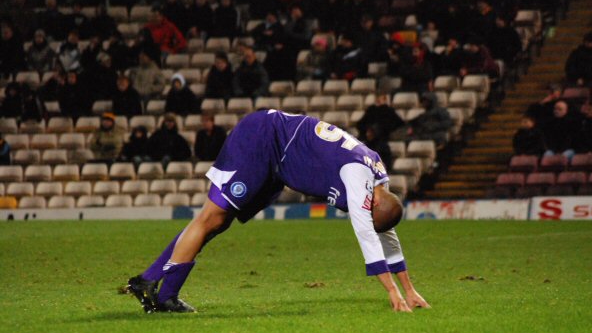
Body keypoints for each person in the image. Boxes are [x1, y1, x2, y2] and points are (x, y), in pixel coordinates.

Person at [126, 109, 430, 313]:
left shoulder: (379, 181)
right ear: (375, 202)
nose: (359, 212)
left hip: (277, 160)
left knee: (219, 222)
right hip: (263, 139)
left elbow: (383, 231)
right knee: (213, 217)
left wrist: (410, 289)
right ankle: (164, 296)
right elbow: (366, 232)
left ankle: (150, 280)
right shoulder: (358, 177)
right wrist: (392, 291)